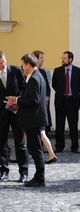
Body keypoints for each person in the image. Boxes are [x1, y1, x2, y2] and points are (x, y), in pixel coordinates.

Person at [7, 54, 48, 187]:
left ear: (29, 65)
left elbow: (34, 100)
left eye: (23, 65)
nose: (22, 68)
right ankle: (38, 176)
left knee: (36, 150)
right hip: (34, 119)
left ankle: (39, 178)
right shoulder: (36, 76)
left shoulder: (35, 78)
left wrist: (16, 100)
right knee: (35, 149)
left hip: (33, 120)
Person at [0, 51, 29, 182]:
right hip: (1, 114)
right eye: (0, 63)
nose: (2, 65)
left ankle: (23, 172)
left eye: (3, 62)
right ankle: (3, 171)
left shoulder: (16, 70)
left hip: (17, 112)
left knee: (20, 143)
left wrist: (17, 99)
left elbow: (24, 88)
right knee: (1, 144)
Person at [52, 51, 80, 154]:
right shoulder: (57, 71)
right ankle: (59, 146)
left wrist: (72, 93)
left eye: (65, 58)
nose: (62, 60)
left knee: (73, 126)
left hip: (72, 101)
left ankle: (74, 147)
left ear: (70, 59)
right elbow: (54, 85)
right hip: (61, 101)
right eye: (62, 58)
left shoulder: (79, 71)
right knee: (59, 125)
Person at [33, 50, 57, 164]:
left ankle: (49, 153)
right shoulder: (31, 71)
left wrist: (47, 97)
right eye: (41, 57)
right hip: (34, 105)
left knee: (42, 129)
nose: (43, 59)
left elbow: (47, 87)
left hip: (40, 105)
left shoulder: (43, 72)